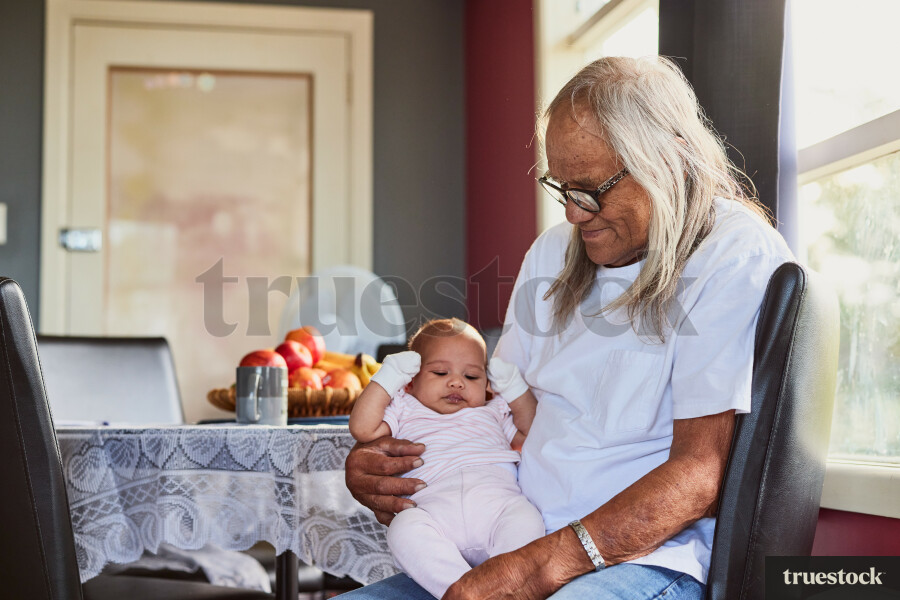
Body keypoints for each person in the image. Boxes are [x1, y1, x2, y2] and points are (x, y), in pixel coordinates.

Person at [343, 55, 794, 600]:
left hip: (645, 560)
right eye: (563, 188)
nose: (574, 215)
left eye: (592, 189)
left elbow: (700, 474)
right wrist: (378, 464)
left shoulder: (732, 252)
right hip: (509, 537)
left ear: (668, 159)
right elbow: (494, 410)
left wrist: (531, 571)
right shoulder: (553, 252)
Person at [349, 318, 545, 599]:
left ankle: (505, 585)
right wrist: (387, 378)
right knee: (403, 529)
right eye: (440, 373)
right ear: (411, 381)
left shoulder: (493, 409)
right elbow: (362, 428)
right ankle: (460, 589)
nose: (456, 382)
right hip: (433, 514)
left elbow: (533, 431)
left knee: (528, 522)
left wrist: (515, 389)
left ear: (487, 383)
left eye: (472, 377)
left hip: (499, 507)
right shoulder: (404, 406)